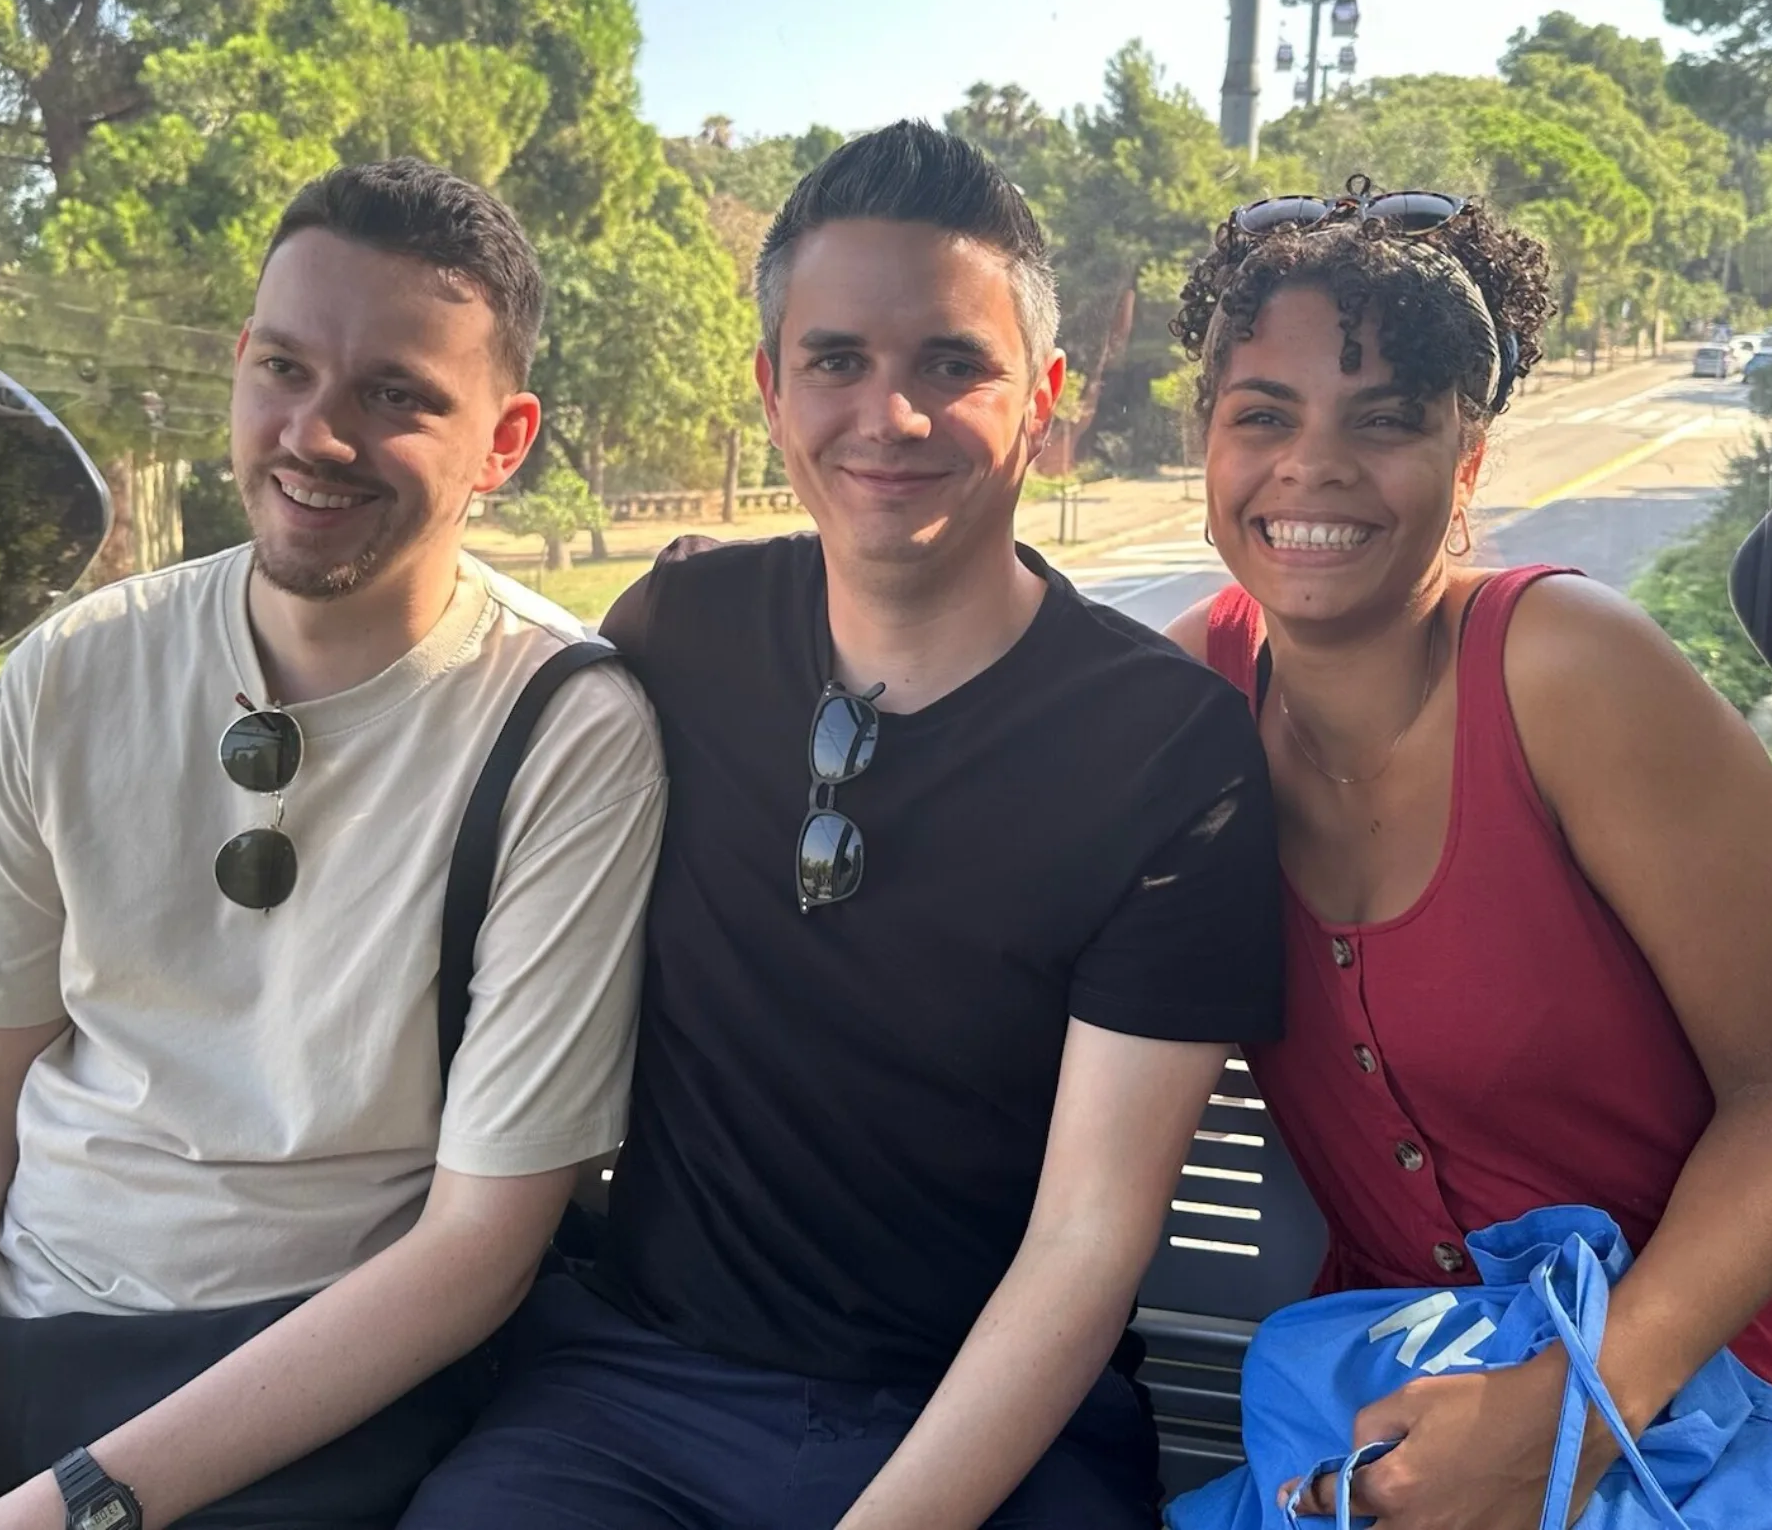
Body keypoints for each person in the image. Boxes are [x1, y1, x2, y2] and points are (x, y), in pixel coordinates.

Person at [0, 159, 666, 1530]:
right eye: (285, 369)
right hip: (5, 1314)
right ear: (239, 364)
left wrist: (71, 1506)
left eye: (397, 395)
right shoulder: (76, 669)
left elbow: (478, 1252)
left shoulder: (566, 730)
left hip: (308, 1372)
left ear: (503, 442)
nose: (316, 435)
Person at [401, 122, 1286, 1530]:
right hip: (631, 1395)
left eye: (953, 363)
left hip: (994, 1428)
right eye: (836, 361)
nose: (892, 416)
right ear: (771, 390)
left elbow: (1087, 1241)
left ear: (1045, 399)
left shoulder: (1165, 751)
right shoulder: (678, 636)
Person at [1161, 181, 1772, 1529]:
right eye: (1263, 416)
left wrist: (1571, 1416)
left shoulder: (1565, 672)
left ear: (1468, 461)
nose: (1314, 465)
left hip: (1731, 1408)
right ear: (1205, 445)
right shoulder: (1190, 700)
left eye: (1386, 420)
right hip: (1388, 1409)